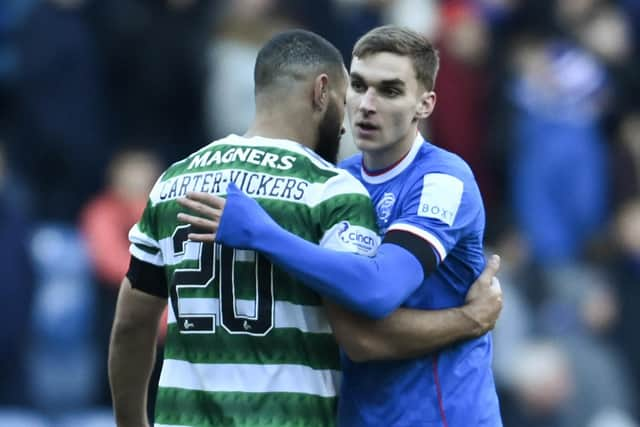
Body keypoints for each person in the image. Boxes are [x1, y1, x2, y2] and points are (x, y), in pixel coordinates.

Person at [110, 29, 502, 427]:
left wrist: (262, 233)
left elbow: (376, 294)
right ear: (328, 92)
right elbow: (360, 339)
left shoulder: (442, 180)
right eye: (360, 86)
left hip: (440, 416)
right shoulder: (334, 184)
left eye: (389, 91)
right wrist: (470, 319)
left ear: (425, 103)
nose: (366, 105)